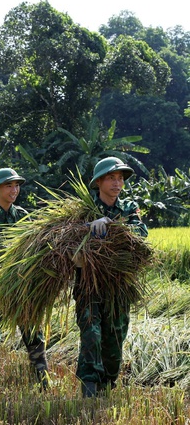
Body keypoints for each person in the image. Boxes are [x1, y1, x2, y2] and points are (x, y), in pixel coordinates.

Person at [73, 157, 148, 398]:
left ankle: (108, 384)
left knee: (114, 340)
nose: (117, 183)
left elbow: (141, 234)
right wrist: (89, 226)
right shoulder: (84, 208)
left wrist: (112, 226)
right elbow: (67, 238)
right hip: (89, 284)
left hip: (119, 285)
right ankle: (89, 388)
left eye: (120, 179)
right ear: (98, 182)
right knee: (91, 336)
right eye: (111, 178)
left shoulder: (128, 208)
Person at [0, 168, 49, 388]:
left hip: (21, 286)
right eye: (9, 185)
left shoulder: (23, 216)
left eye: (17, 185)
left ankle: (41, 375)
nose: (14, 190)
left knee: (32, 330)